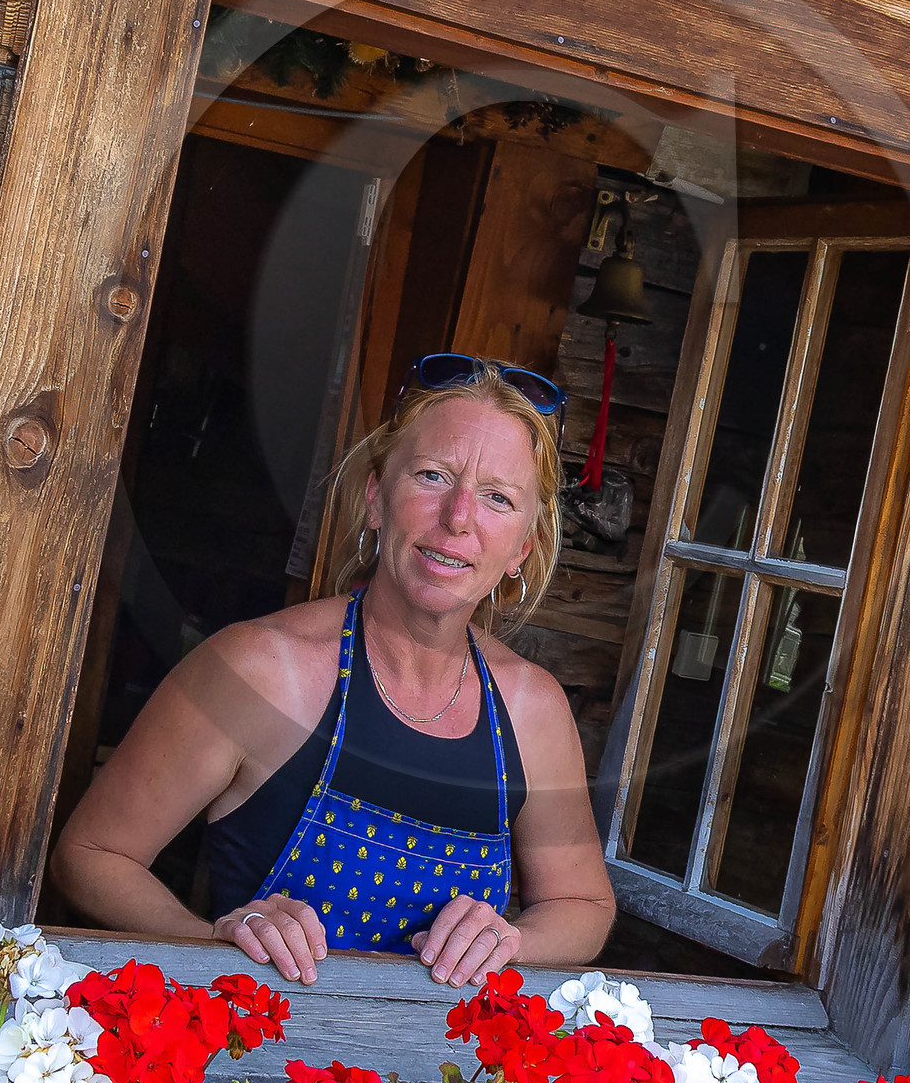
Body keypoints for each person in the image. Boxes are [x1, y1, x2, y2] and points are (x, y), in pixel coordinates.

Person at [51, 355, 616, 989]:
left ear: (522, 548)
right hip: (257, 1074)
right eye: (433, 476)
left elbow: (583, 908)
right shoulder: (260, 669)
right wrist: (214, 939)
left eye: (498, 498)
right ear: (376, 499)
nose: (459, 518)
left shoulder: (531, 708)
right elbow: (90, 857)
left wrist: (510, 939)